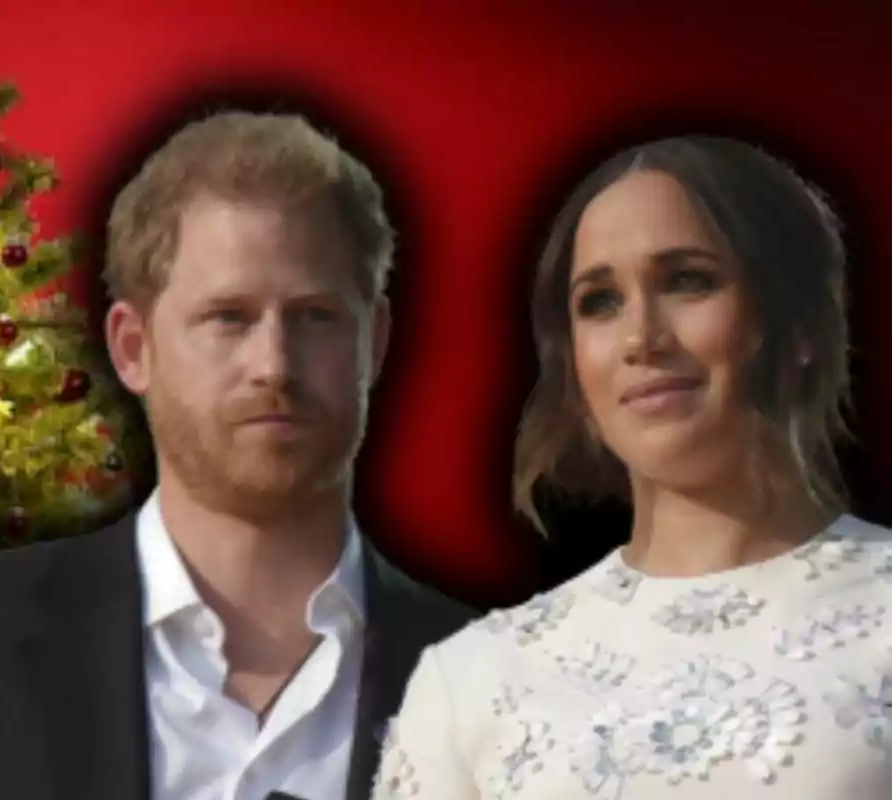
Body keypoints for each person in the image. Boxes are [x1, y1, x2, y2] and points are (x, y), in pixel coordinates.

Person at [0, 110, 473, 800]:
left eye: (315, 316)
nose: (274, 364)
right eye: (228, 317)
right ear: (133, 348)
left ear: (373, 343)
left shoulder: (491, 673)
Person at [372, 136, 892, 799]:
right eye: (600, 301)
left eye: (687, 281)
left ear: (800, 327)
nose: (642, 337)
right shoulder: (474, 677)